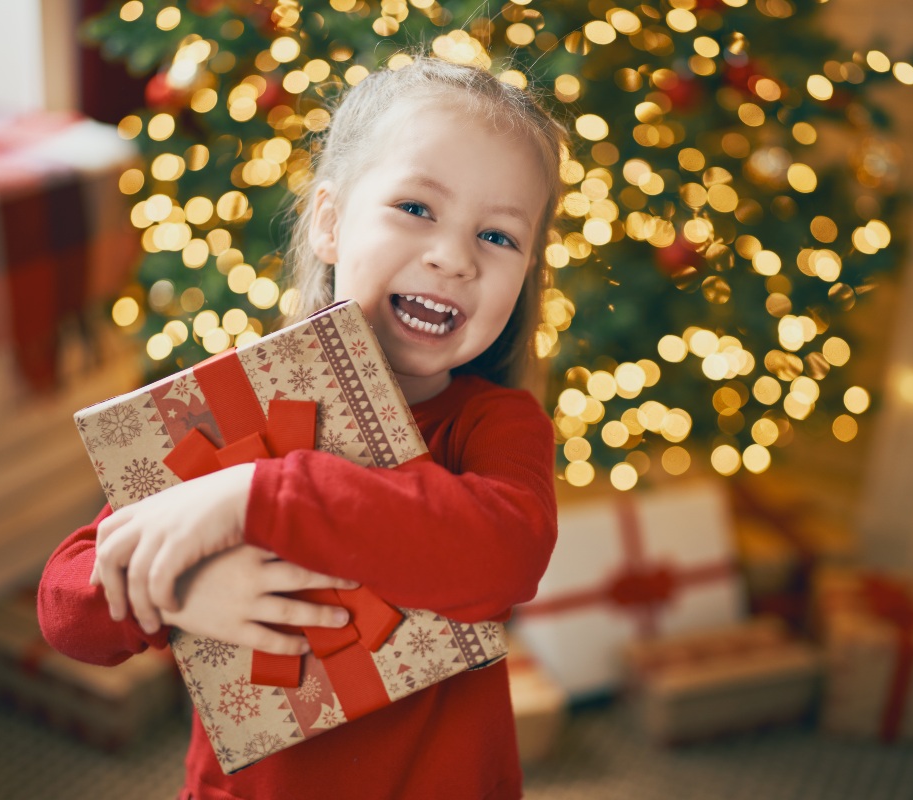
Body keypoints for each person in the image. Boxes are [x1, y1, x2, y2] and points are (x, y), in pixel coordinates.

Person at [39, 55, 567, 799]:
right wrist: (182, 590)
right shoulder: (243, 405)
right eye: (416, 208)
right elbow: (66, 606)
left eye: (499, 236)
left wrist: (255, 495)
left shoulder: (498, 426)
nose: (452, 258)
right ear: (329, 221)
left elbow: (504, 555)